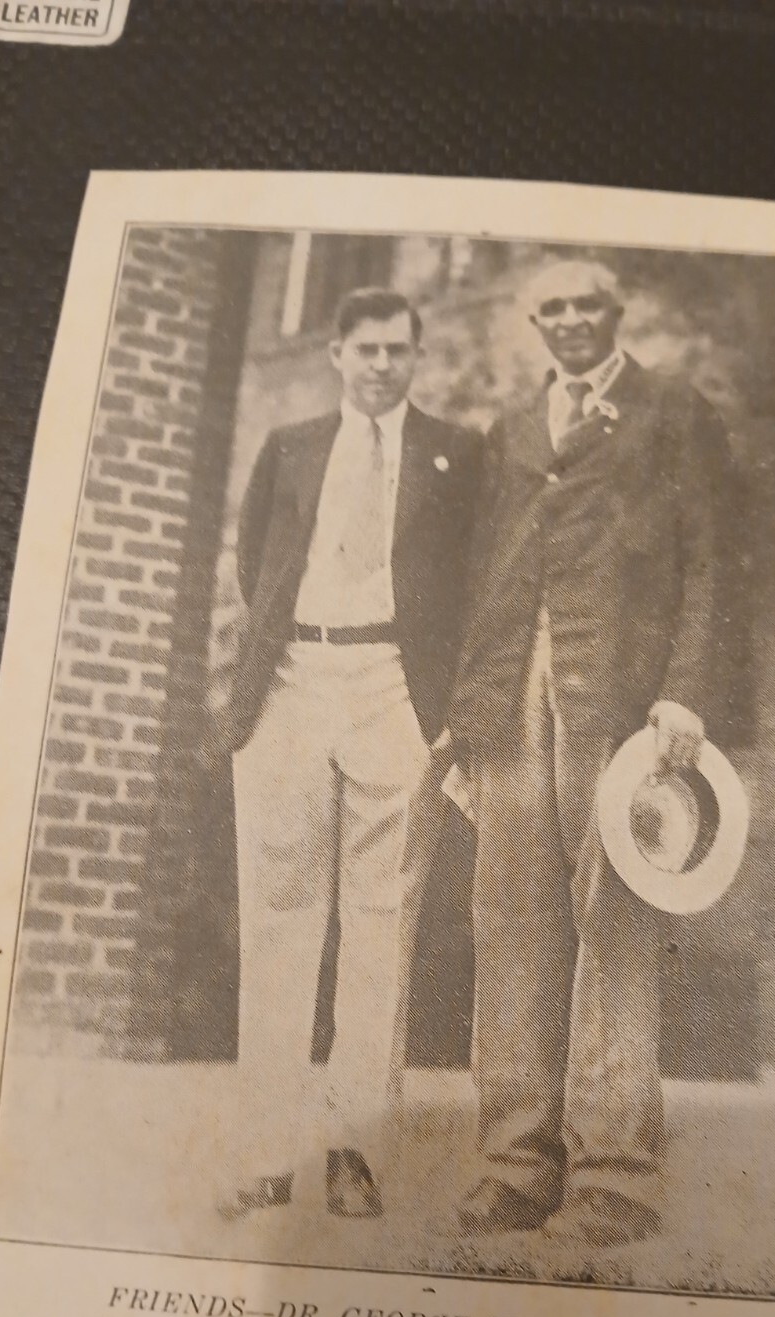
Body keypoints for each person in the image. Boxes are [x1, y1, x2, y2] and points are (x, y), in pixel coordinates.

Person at [447, 258, 737, 1249]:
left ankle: (613, 1176)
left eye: (588, 305)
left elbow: (707, 561)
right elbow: (487, 574)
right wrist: (466, 715)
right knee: (513, 925)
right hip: (511, 697)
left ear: (615, 315)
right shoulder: (514, 432)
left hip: (616, 692)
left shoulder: (671, 413)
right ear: (536, 322)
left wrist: (685, 691)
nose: (571, 320)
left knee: (611, 922)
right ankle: (516, 1165)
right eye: (554, 307)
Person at [218, 287, 481, 1221]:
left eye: (397, 350)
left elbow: (471, 582)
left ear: (417, 356)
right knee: (281, 917)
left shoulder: (459, 455)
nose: (380, 365)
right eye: (364, 348)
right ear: (334, 353)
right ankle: (265, 1152)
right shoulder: (291, 446)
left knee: (379, 925)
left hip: (392, 689)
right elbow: (257, 568)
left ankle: (353, 1152)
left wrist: (442, 708)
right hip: (294, 678)